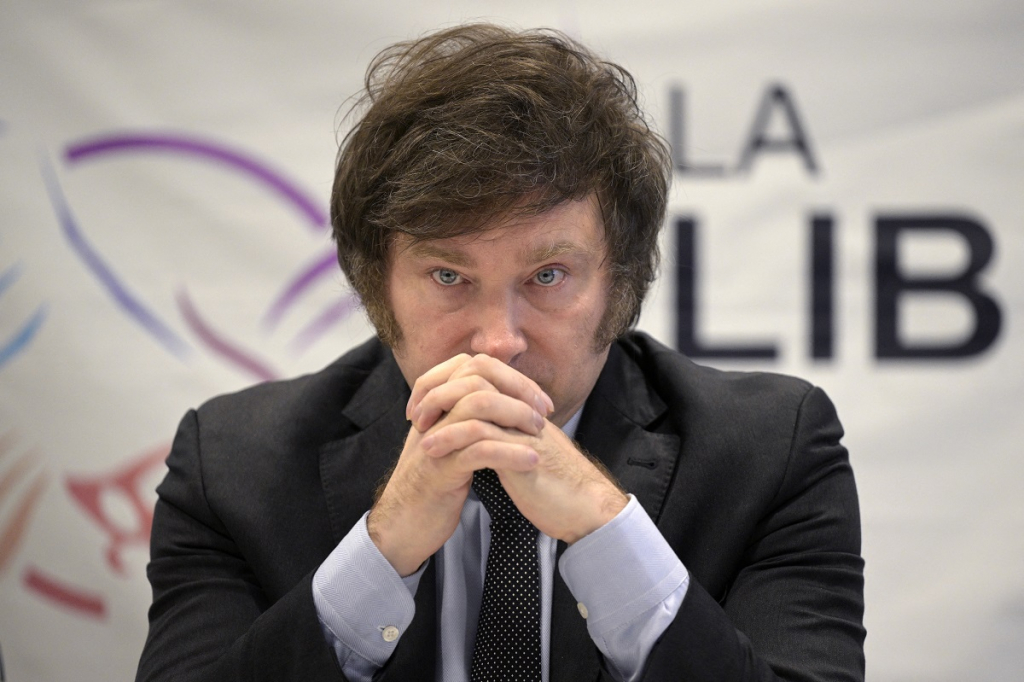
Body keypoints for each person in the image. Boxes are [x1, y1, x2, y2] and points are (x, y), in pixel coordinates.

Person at [136, 23, 865, 682]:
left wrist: (604, 526)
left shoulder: (769, 452)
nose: (497, 342)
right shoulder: (233, 466)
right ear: (376, 285)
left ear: (621, 284)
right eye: (448, 277)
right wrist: (382, 549)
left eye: (547, 276)